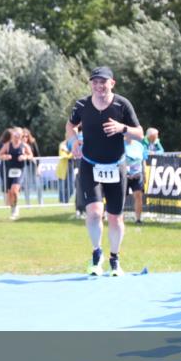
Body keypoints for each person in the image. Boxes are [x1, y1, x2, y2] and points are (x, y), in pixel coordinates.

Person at [66, 67, 142, 276]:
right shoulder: (82, 105)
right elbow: (70, 125)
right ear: (91, 84)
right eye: (95, 82)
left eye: (103, 82)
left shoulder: (122, 104)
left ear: (112, 83)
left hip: (116, 166)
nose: (99, 86)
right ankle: (96, 254)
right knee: (94, 212)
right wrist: (73, 142)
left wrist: (122, 128)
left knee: (115, 217)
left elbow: (140, 134)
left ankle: (115, 259)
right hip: (90, 164)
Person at [0, 127, 33, 220]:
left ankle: (15, 209)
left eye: (18, 135)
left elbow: (31, 155)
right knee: (10, 193)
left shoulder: (24, 146)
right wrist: (5, 156)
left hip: (20, 170)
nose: (16, 137)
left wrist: (25, 157)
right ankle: (13, 208)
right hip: (9, 171)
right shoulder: (7, 145)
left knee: (15, 190)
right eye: (15, 135)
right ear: (12, 135)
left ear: (21, 136)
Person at [124, 137, 146, 224]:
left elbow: (143, 160)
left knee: (138, 195)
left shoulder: (140, 145)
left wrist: (144, 173)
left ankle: (138, 219)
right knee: (121, 198)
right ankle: (118, 217)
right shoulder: (119, 144)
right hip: (124, 176)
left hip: (137, 175)